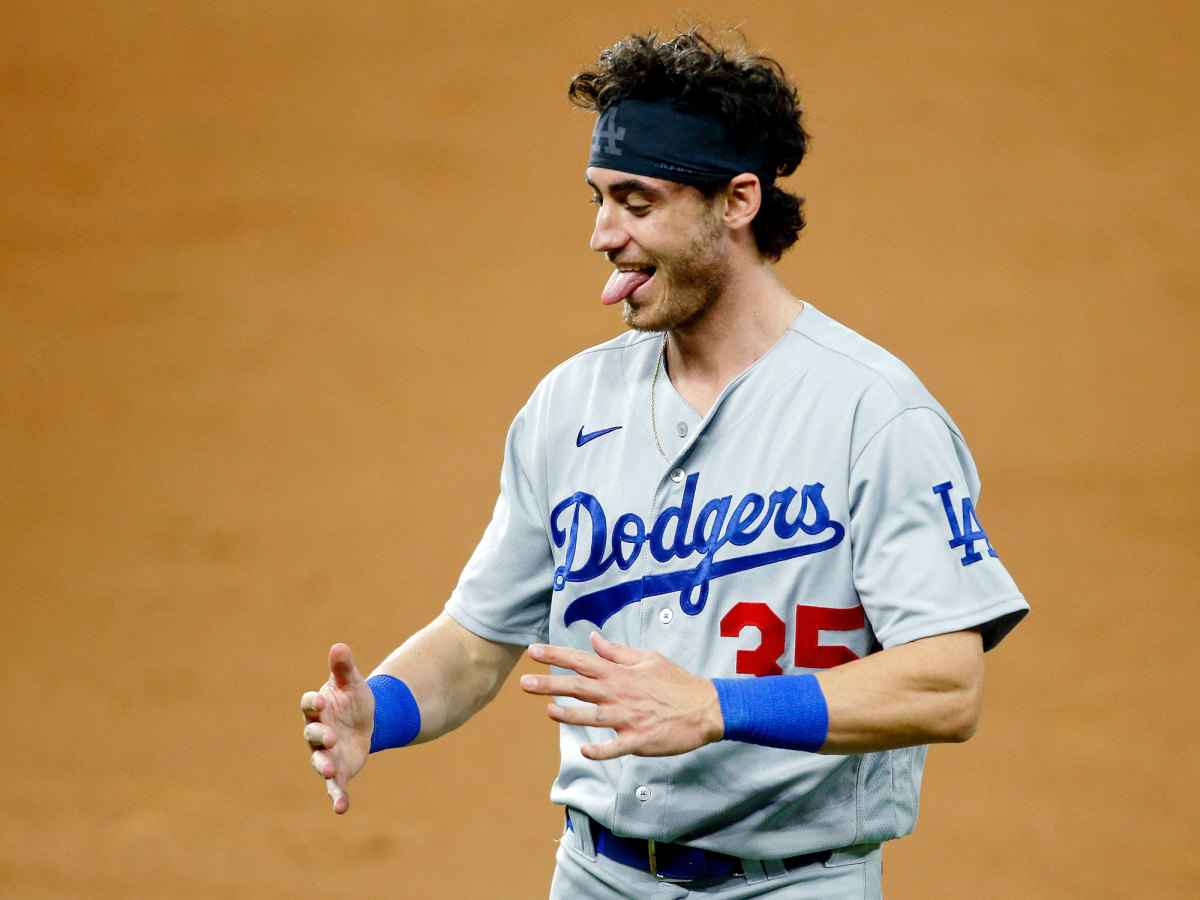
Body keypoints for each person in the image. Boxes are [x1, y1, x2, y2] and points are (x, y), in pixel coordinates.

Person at [300, 29, 1028, 898]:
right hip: (595, 875)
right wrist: (379, 712)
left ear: (738, 201)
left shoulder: (875, 415)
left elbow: (947, 685)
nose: (604, 235)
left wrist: (717, 706)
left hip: (793, 884)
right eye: (599, 199)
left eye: (637, 203)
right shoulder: (569, 409)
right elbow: (476, 642)